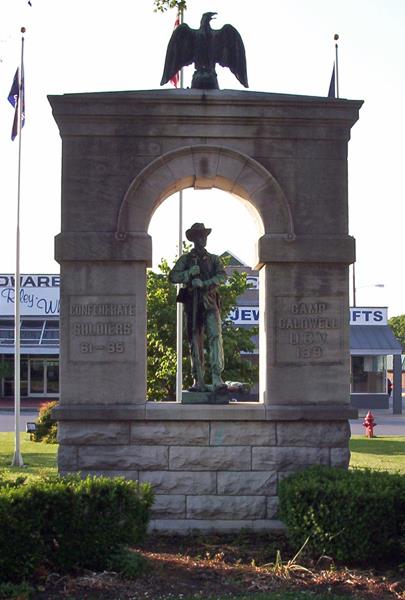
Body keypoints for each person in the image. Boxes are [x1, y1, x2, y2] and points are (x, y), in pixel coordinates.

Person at [169, 223, 227, 392]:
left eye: (204, 236)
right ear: (194, 239)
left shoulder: (214, 259)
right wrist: (188, 274)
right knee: (195, 340)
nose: (203, 239)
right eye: (199, 236)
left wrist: (205, 283)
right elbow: (173, 276)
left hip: (209, 303)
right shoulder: (186, 260)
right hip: (192, 304)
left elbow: (222, 276)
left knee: (215, 338)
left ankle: (217, 377)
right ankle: (198, 379)